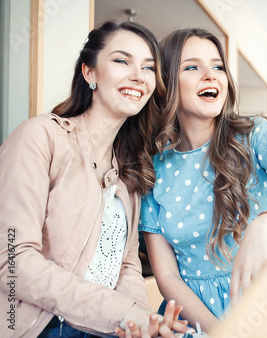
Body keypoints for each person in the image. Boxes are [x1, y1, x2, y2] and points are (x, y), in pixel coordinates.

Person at [0, 21, 188, 338]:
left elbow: (127, 266)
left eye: (148, 67)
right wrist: (122, 312)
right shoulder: (40, 136)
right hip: (44, 328)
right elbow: (13, 263)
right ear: (90, 73)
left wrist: (143, 322)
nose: (138, 75)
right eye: (121, 60)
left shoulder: (130, 170)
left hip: (106, 330)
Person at [139, 27, 267, 332]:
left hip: (264, 304)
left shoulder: (254, 135)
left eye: (217, 66)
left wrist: (265, 224)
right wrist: (219, 331)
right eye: (192, 67)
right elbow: (167, 278)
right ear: (167, 85)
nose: (210, 75)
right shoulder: (153, 169)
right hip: (196, 319)